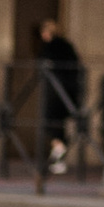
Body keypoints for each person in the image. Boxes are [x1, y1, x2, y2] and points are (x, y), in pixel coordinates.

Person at [35, 15, 87, 175]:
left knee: (51, 121)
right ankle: (58, 154)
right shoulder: (67, 45)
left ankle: (59, 151)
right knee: (60, 123)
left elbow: (44, 64)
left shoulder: (50, 47)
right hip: (69, 90)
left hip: (56, 90)